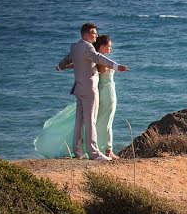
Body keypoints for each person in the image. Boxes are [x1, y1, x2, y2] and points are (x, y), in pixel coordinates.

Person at [34, 24, 128, 160]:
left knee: (80, 121)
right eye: (94, 33)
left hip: (79, 89)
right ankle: (94, 153)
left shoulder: (75, 47)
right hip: (90, 89)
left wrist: (60, 66)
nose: (96, 35)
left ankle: (78, 151)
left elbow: (69, 59)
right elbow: (98, 58)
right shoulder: (88, 47)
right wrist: (116, 66)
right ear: (87, 34)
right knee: (91, 121)